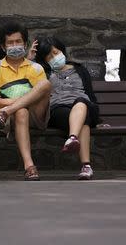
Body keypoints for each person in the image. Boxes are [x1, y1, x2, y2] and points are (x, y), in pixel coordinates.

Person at [0, 22, 51, 181]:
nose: (15, 45)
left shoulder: (36, 68)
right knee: (21, 110)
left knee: (45, 84)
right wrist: (18, 103)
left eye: (18, 41)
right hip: (9, 120)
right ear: (3, 47)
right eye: (10, 43)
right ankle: (29, 166)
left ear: (25, 44)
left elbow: (42, 95)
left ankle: (6, 112)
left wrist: (6, 108)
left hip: (34, 116)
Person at [33, 37, 99, 180]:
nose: (54, 57)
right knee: (84, 121)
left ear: (62, 50)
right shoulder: (44, 73)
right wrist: (30, 59)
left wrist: (99, 119)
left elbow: (90, 94)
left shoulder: (80, 70)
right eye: (49, 56)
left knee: (82, 103)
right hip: (59, 111)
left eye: (55, 53)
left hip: (84, 106)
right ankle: (86, 166)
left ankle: (72, 138)